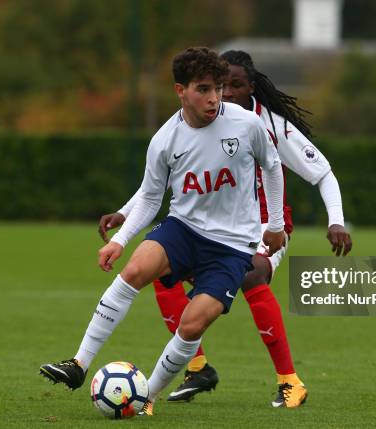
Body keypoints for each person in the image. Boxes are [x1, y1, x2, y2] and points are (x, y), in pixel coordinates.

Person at [39, 47, 286, 416]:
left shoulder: (246, 124)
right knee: (135, 271)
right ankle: (78, 364)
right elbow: (151, 199)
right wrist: (121, 241)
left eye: (218, 88)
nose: (214, 98)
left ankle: (145, 397)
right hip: (184, 229)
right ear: (180, 90)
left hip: (233, 246)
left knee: (192, 324)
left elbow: (273, 166)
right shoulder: (164, 141)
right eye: (203, 89)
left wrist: (276, 226)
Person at [98, 50, 352, 408]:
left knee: (250, 275)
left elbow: (322, 172)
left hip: (265, 227)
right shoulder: (201, 121)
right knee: (159, 271)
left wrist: (336, 220)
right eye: (220, 85)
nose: (226, 93)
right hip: (210, 229)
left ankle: (289, 380)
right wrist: (125, 214)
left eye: (234, 85)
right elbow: (159, 182)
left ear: (252, 87)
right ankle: (197, 366)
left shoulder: (269, 126)